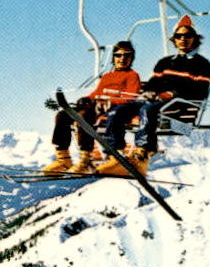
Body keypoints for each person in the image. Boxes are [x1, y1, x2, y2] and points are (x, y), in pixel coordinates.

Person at [97, 16, 210, 176]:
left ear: (195, 39)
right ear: (174, 40)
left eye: (187, 36)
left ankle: (141, 155)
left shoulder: (202, 64)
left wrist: (172, 93)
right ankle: (115, 155)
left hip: (180, 105)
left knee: (148, 109)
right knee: (117, 111)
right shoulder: (165, 62)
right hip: (157, 101)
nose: (183, 39)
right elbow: (154, 83)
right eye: (179, 36)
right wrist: (149, 91)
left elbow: (200, 89)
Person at [42, 41, 141, 174]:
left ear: (131, 58)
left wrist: (108, 100)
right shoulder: (107, 76)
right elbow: (97, 92)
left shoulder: (132, 75)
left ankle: (86, 159)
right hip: (97, 105)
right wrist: (87, 99)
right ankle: (63, 159)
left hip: (113, 108)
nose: (122, 58)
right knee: (62, 115)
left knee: (83, 117)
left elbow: (131, 95)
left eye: (126, 55)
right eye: (118, 55)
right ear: (114, 58)